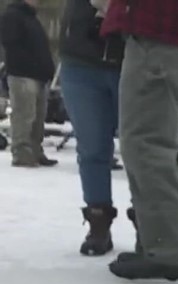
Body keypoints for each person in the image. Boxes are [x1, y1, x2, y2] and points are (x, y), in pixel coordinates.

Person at [101, 0, 178, 282]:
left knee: (146, 145)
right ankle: (169, 242)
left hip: (158, 41)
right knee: (163, 147)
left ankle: (167, 249)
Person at [57, 0, 124, 256]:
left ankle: (148, 224)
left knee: (140, 149)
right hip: (80, 56)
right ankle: (98, 220)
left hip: (133, 54)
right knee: (92, 146)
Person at [0, 0, 56, 168]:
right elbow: (11, 43)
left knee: (38, 117)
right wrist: (29, 63)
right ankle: (21, 152)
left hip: (39, 76)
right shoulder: (13, 16)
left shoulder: (31, 19)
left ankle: (35, 150)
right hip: (22, 74)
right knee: (24, 115)